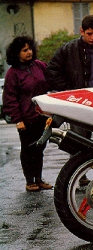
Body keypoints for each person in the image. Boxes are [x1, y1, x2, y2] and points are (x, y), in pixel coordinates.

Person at [46, 15, 93, 185]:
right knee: (79, 140)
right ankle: (80, 177)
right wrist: (69, 91)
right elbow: (51, 71)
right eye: (89, 34)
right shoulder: (69, 49)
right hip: (80, 101)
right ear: (82, 31)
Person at [2, 36, 53, 192]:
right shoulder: (13, 73)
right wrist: (18, 120)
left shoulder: (39, 66)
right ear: (17, 53)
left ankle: (38, 179)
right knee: (28, 150)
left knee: (40, 149)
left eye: (30, 49)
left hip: (42, 117)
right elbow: (10, 98)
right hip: (26, 119)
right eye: (25, 50)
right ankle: (29, 180)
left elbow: (51, 80)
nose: (29, 52)